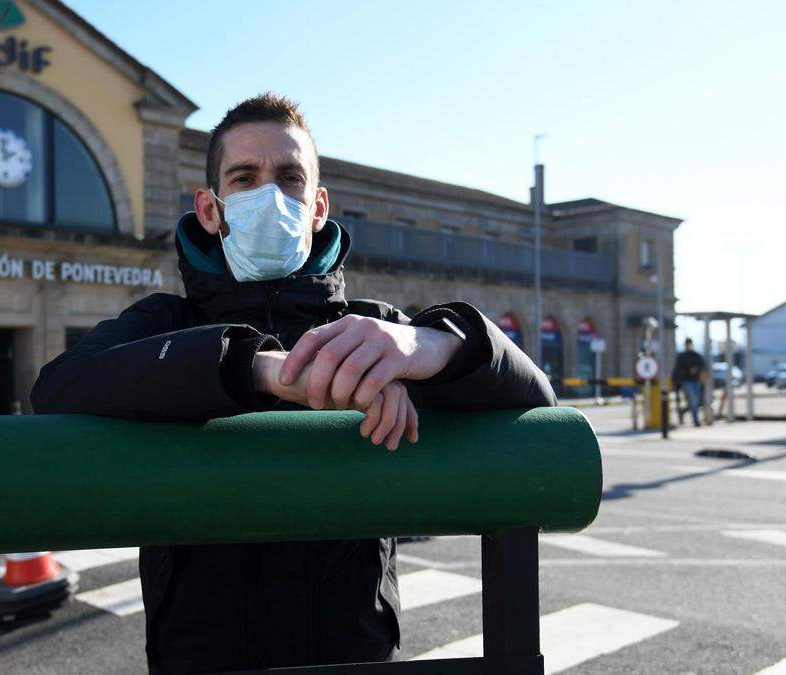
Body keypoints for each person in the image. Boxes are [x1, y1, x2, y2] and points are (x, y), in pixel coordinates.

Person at [31, 93, 555, 673]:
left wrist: (437, 345)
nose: (269, 195)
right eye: (245, 178)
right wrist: (259, 370)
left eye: (289, 177)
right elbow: (59, 385)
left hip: (354, 653)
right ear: (210, 209)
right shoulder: (165, 323)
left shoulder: (373, 333)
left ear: (318, 206)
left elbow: (538, 405)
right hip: (204, 655)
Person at [672, 338, 707, 426]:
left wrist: (697, 370)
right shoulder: (682, 356)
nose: (689, 346)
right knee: (693, 401)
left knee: (697, 402)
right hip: (686, 381)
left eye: (690, 344)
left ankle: (683, 411)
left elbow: (703, 366)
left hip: (696, 381)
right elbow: (678, 370)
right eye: (688, 344)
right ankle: (696, 421)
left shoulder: (697, 355)